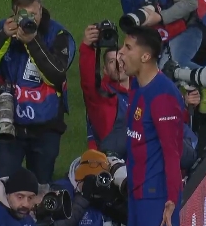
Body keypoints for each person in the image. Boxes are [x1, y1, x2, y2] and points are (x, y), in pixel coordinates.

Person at [117, 27, 186, 226]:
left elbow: (172, 152)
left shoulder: (162, 95)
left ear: (146, 56)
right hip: (140, 187)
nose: (122, 52)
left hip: (157, 191)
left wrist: (171, 198)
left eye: (128, 47)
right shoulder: (139, 87)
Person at [0, 0, 76, 186]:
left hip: (47, 125)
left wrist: (32, 42)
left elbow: (56, 75)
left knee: (41, 183)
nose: (31, 19)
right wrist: (3, 36)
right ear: (14, 13)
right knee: (4, 183)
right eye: (25, 15)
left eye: (35, 13)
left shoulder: (59, 34)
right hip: (10, 124)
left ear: (41, 9)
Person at [80, 25, 199, 168]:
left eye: (121, 58)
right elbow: (88, 83)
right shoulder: (102, 98)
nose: (118, 64)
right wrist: (87, 47)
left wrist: (186, 104)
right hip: (122, 167)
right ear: (105, 70)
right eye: (112, 62)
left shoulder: (142, 87)